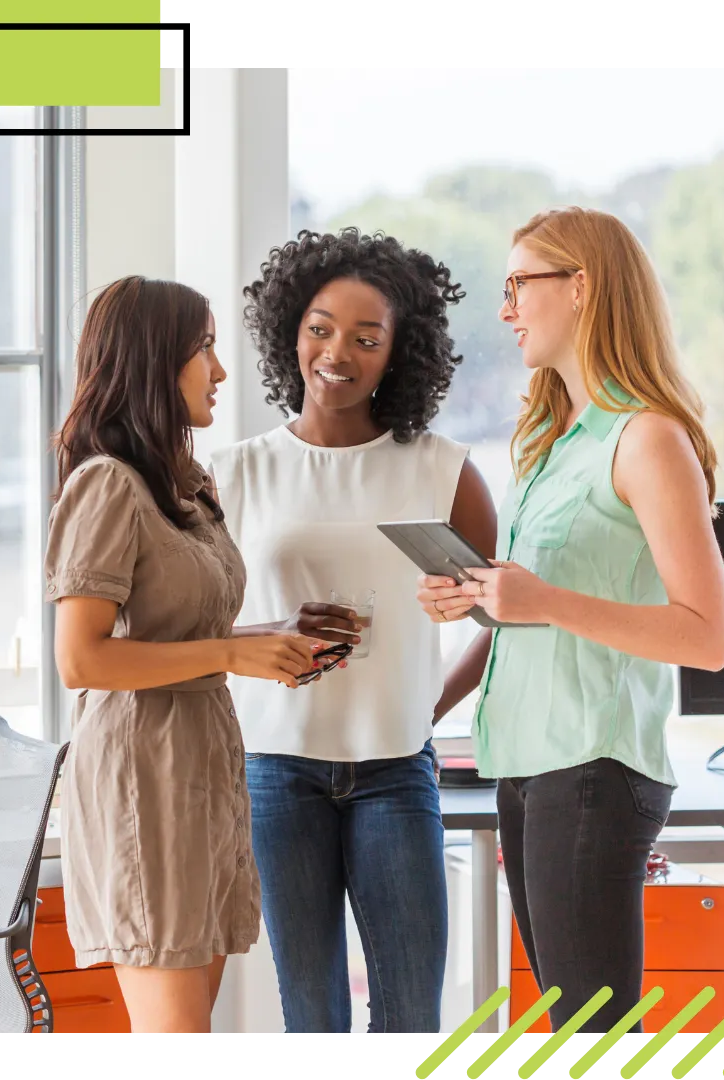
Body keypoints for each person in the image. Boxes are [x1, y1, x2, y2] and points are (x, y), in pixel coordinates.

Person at [416, 206, 724, 1038]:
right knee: (572, 1035)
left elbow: (707, 633)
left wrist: (541, 600)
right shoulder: (552, 442)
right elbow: (528, 608)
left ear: (582, 288)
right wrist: (476, 617)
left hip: (591, 767)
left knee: (593, 1042)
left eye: (521, 283)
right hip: (532, 765)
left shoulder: (647, 439)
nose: (506, 307)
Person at [208, 227, 498, 1039]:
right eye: (321, 328)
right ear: (289, 331)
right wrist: (264, 637)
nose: (338, 352)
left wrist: (427, 706)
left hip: (396, 775)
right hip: (273, 774)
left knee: (410, 1021)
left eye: (367, 338)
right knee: (313, 1018)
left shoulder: (441, 469)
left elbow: (501, 616)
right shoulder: (233, 474)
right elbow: (191, 626)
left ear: (397, 355)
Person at [43, 276, 319, 1037]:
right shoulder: (107, 486)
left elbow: (178, 630)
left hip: (201, 771)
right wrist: (233, 653)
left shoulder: (185, 487)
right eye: (204, 350)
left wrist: (272, 634)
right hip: (144, 781)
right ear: (153, 362)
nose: (220, 372)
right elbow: (84, 659)